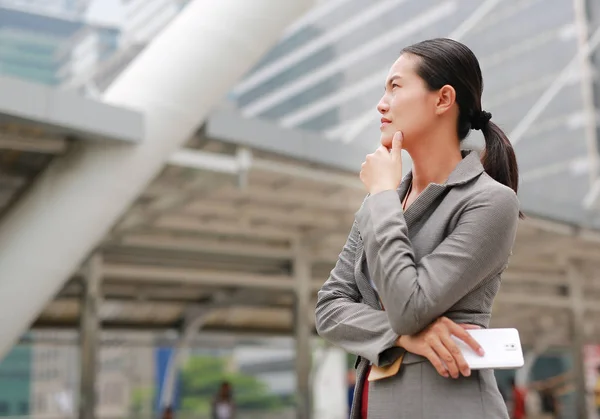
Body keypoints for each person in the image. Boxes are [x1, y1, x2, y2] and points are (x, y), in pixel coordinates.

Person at [315, 37, 521, 419]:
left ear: (443, 99)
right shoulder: (382, 202)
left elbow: (410, 306)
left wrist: (381, 196)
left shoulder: (490, 202)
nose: (382, 103)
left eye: (396, 87)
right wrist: (403, 336)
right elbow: (329, 309)